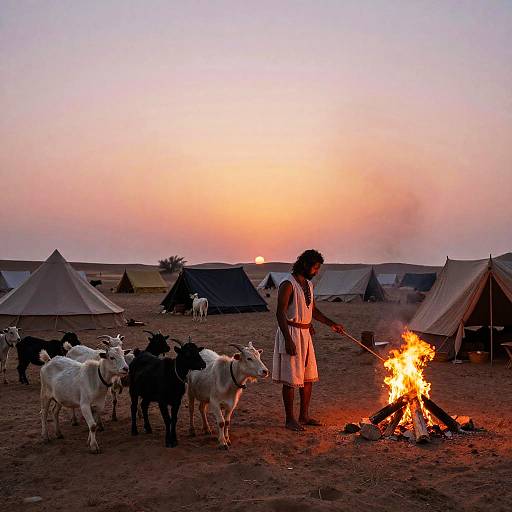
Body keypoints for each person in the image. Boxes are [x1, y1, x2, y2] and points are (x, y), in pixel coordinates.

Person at [272, 249, 344, 431]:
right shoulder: (287, 284)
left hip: (305, 335)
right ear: (305, 264)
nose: (316, 272)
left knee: (307, 377)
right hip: (291, 333)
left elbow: (312, 310)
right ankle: (290, 419)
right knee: (291, 378)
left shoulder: (309, 286)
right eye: (315, 267)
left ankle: (304, 416)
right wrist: (288, 339)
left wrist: (331, 324)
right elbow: (280, 312)